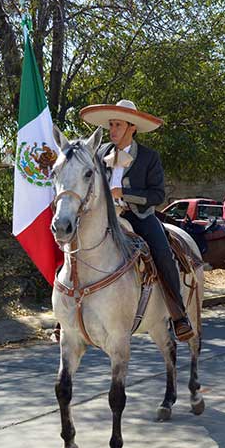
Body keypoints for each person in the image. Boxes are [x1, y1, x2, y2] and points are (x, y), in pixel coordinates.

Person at [80, 99, 195, 341]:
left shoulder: (148, 157)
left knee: (163, 252)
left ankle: (178, 314)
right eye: (111, 124)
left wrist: (124, 194)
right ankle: (69, 313)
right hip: (105, 217)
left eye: (118, 125)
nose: (112, 130)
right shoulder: (100, 154)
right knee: (73, 244)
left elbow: (157, 194)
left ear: (132, 127)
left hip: (139, 216)